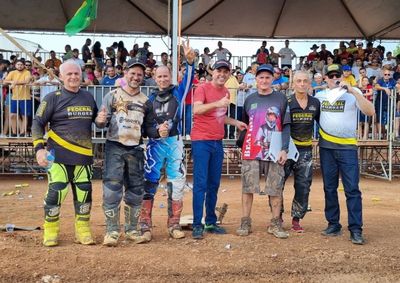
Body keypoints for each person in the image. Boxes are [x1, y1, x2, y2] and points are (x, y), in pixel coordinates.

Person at [95, 58, 161, 247]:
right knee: (112, 189)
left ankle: (132, 230)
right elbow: (101, 123)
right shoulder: (112, 96)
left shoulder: (146, 102)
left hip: (135, 149)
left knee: (135, 190)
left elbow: (149, 129)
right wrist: (99, 120)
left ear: (143, 77)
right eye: (133, 73)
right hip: (114, 146)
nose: (136, 77)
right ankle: (112, 231)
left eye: (139, 74)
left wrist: (159, 131)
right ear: (125, 73)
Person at [32, 60, 99, 247]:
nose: (73, 77)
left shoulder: (88, 97)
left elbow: (98, 122)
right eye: (68, 74)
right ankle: (51, 230)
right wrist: (39, 149)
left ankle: (83, 230)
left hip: (83, 157)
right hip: (58, 156)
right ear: (61, 77)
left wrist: (102, 120)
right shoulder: (52, 98)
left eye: (76, 73)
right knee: (57, 193)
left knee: (84, 194)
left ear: (81, 75)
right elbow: (37, 123)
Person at [138, 41, 195, 241]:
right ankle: (144, 226)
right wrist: (156, 131)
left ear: (170, 77)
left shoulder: (178, 93)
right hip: (154, 146)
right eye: (159, 76)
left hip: (174, 143)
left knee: (177, 183)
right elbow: (145, 128)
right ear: (154, 78)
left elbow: (188, 80)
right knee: (149, 183)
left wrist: (190, 62)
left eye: (165, 76)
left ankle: (174, 225)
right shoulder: (148, 100)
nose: (162, 79)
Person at [315, 64, 374, 245]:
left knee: (352, 189)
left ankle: (356, 229)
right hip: (327, 148)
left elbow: (370, 111)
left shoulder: (352, 92)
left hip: (348, 148)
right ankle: (333, 224)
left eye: (337, 75)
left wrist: (354, 93)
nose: (334, 79)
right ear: (325, 78)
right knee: (329, 188)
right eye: (331, 76)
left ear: (343, 76)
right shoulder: (319, 96)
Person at [191, 59, 247, 239]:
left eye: (225, 72)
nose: (222, 74)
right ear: (212, 72)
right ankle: (197, 224)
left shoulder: (225, 92)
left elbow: (220, 116)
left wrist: (235, 122)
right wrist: (217, 104)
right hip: (201, 141)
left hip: (217, 141)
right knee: (200, 184)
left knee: (213, 184)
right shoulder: (202, 88)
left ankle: (210, 222)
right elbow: (196, 110)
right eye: (219, 71)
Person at [235, 64, 290, 239]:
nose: (264, 80)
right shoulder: (249, 99)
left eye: (267, 77)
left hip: (274, 152)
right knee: (247, 188)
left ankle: (275, 223)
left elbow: (287, 125)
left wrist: (284, 149)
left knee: (275, 188)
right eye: (261, 77)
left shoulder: (281, 99)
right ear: (255, 79)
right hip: (252, 150)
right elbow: (245, 124)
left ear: (272, 79)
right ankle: (245, 222)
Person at [282, 71, 320, 233]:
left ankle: (296, 219)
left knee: (304, 186)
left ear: (309, 83)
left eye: (305, 81)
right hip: (286, 149)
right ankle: (277, 217)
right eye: (299, 81)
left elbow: (322, 122)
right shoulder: (286, 101)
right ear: (293, 84)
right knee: (277, 184)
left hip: (305, 150)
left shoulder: (315, 103)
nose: (302, 84)